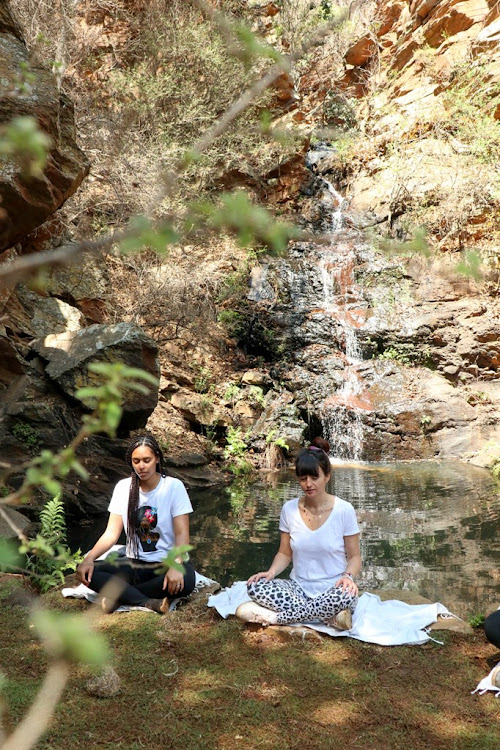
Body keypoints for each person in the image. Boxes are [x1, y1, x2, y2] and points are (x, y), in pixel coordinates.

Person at [245, 437, 361, 628]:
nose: (308, 484)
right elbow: (284, 553)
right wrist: (271, 572)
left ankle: (278, 618)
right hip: (297, 588)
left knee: (345, 595)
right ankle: (326, 617)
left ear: (327, 476)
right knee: (254, 586)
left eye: (314, 477)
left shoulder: (344, 510)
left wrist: (348, 577)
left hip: (334, 588)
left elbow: (355, 557)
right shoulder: (289, 509)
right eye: (303, 478)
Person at [76, 434, 196, 613]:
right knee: (88, 572)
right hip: (134, 565)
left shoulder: (173, 487)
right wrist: (89, 559)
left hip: (164, 564)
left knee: (187, 581)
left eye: (147, 460)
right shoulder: (124, 488)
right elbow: (111, 533)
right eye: (136, 461)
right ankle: (147, 602)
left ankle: (120, 595)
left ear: (157, 458)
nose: (141, 466)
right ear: (131, 462)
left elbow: (182, 534)